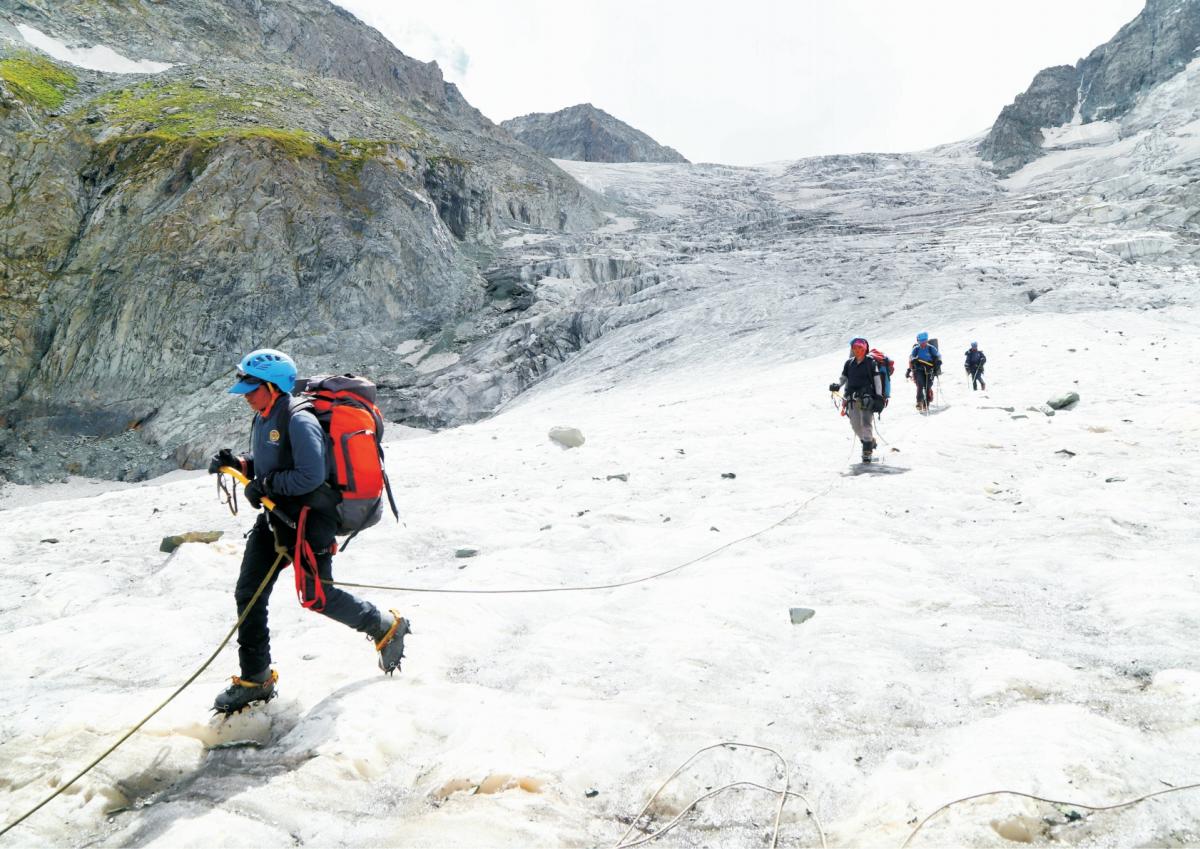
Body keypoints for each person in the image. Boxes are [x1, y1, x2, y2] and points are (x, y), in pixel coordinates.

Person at [206, 348, 409, 713]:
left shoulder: (300, 420)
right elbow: (274, 463)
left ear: (272, 386)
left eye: (252, 387)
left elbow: (310, 476)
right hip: (276, 517)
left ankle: (384, 626)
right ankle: (256, 679)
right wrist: (239, 464)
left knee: (317, 596)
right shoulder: (265, 416)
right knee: (248, 593)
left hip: (309, 519)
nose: (246, 395)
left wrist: (264, 485)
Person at [829, 337, 884, 462]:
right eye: (854, 348)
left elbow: (877, 380)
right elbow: (843, 378)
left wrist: (879, 397)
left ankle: (867, 451)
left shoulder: (871, 362)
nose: (857, 350)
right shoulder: (849, 363)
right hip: (851, 399)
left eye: (859, 348)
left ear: (864, 349)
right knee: (855, 426)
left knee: (865, 424)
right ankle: (869, 441)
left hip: (866, 399)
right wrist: (838, 385)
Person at [905, 331, 941, 411]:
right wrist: (909, 370)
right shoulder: (916, 349)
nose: (922, 344)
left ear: (927, 340)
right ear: (918, 341)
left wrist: (938, 362)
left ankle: (926, 403)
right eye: (921, 342)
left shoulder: (931, 348)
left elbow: (938, 356)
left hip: (930, 369)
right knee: (920, 385)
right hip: (919, 370)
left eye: (924, 341)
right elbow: (911, 359)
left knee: (928, 386)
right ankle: (919, 402)